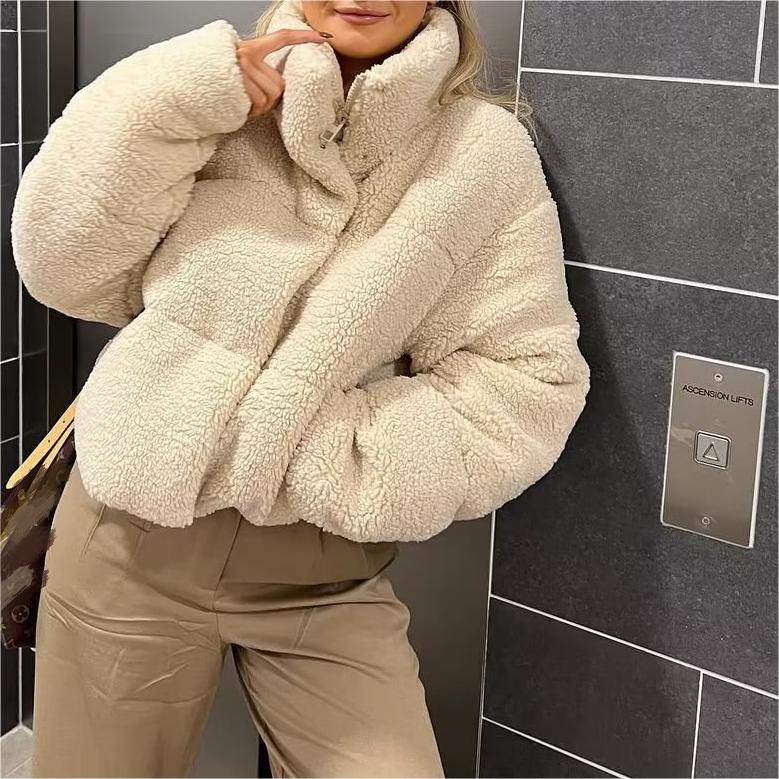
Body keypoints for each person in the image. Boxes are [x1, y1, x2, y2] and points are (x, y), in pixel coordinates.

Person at [10, 0, 591, 776]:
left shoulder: (479, 153)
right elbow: (64, 268)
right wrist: (171, 103)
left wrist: (320, 450)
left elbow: (524, 380)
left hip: (323, 570)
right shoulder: (209, 97)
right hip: (127, 541)